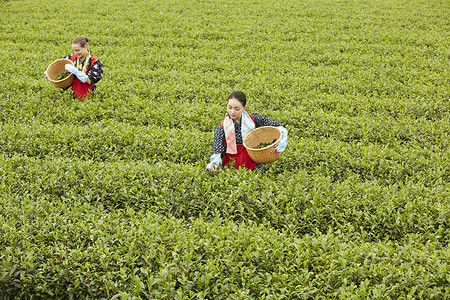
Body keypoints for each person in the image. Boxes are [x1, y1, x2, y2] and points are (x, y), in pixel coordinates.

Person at [206, 91, 288, 173]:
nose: (232, 112)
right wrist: (214, 163)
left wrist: (281, 140)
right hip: (231, 162)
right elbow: (218, 148)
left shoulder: (253, 119)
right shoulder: (222, 127)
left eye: (237, 109)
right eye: (230, 107)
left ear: (244, 108)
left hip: (252, 159)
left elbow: (277, 127)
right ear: (227, 104)